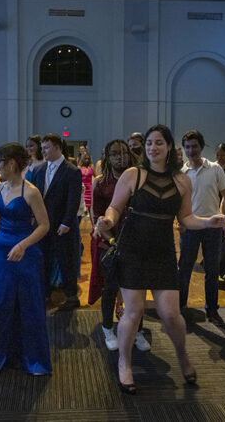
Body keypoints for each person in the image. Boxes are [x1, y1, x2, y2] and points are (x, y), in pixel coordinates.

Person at [95, 124, 225, 395]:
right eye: (149, 143)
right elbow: (115, 207)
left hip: (163, 252)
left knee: (171, 314)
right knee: (133, 312)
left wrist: (208, 222)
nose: (153, 147)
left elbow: (186, 219)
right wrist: (108, 219)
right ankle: (124, 362)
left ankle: (183, 356)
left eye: (159, 143)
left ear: (169, 147)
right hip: (132, 250)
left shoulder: (182, 180)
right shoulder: (133, 174)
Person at [0, 143, 51, 376]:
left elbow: (45, 225)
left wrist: (23, 244)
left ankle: (32, 358)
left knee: (28, 304)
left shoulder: (31, 191)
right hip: (0, 249)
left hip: (25, 252)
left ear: (12, 163)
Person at [89, 139, 150, 352]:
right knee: (110, 287)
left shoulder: (139, 179)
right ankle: (107, 329)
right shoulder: (100, 182)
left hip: (135, 242)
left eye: (123, 153)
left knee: (136, 289)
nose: (119, 157)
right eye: (114, 153)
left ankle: (138, 331)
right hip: (110, 242)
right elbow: (96, 216)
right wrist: (112, 241)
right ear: (107, 156)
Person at [177, 130, 225, 326]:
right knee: (184, 270)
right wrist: (179, 222)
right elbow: (177, 202)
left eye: (194, 146)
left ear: (201, 147)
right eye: (187, 147)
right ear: (184, 149)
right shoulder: (181, 174)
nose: (191, 150)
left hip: (213, 227)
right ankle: (180, 309)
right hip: (189, 228)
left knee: (212, 270)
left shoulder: (215, 169)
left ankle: (212, 310)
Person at [31, 134, 83, 310]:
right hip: (42, 225)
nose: (42, 151)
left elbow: (73, 200)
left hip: (63, 225)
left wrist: (67, 222)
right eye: (42, 148)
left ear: (57, 147)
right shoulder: (38, 170)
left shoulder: (72, 170)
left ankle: (71, 296)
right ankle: (45, 294)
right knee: (43, 261)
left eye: (46, 147)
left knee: (66, 261)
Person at [79, 153, 95, 221]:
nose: (87, 160)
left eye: (88, 158)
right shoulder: (79, 168)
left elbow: (96, 176)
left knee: (91, 209)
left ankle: (93, 227)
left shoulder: (91, 167)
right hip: (82, 190)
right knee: (81, 209)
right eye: (85, 158)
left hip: (90, 190)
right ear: (82, 159)